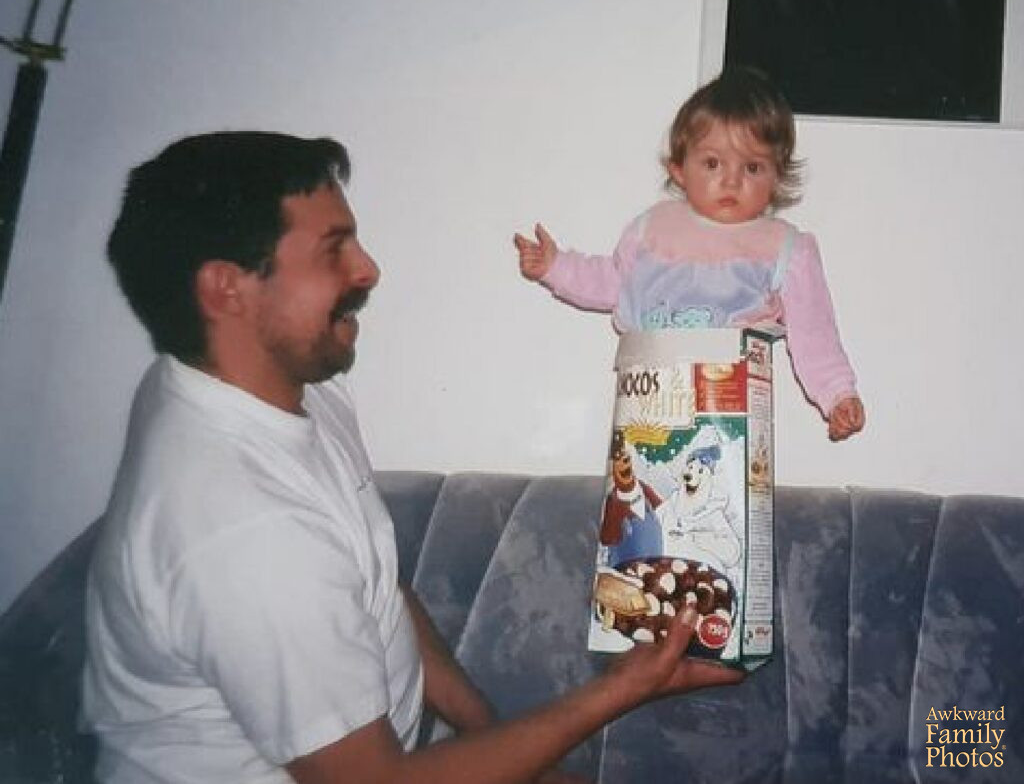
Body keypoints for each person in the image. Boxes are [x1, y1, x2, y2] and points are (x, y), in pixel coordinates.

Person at [82, 130, 743, 784]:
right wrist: (624, 687)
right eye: (333, 249)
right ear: (226, 289)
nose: (367, 269)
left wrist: (508, 752)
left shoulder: (277, 392)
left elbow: (378, 589)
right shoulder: (241, 527)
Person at [514, 67, 865, 442]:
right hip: (649, 396)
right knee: (643, 468)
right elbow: (614, 282)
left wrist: (837, 394)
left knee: (715, 473)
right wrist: (555, 266)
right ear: (680, 170)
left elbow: (814, 331)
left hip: (728, 410)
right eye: (713, 163)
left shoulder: (784, 249)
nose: (731, 180)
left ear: (776, 176)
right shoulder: (653, 229)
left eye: (752, 167)